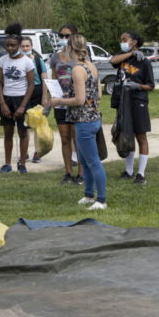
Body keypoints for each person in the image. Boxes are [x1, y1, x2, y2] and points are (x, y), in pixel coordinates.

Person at [49, 34, 107, 210]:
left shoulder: (77, 69)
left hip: (83, 120)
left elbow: (80, 101)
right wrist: (71, 96)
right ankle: (89, 196)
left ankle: (101, 200)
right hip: (93, 118)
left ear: (70, 48)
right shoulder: (91, 66)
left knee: (93, 162)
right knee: (84, 159)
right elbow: (96, 95)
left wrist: (59, 101)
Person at [109, 31, 155, 184]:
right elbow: (112, 60)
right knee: (127, 135)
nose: (122, 42)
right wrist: (131, 54)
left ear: (134, 41)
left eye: (125, 39)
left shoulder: (145, 62)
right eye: (121, 39)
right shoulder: (123, 56)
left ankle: (141, 174)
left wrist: (138, 86)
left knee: (141, 137)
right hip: (123, 101)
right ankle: (129, 172)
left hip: (138, 100)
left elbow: (151, 86)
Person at [0, 23, 36, 174]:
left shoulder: (27, 61)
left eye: (13, 45)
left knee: (23, 132)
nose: (10, 48)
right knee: (7, 133)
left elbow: (31, 85)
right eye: (8, 46)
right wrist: (3, 103)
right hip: (6, 99)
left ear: (19, 45)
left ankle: (23, 164)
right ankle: (7, 164)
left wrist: (22, 107)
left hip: (22, 100)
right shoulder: (2, 61)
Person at [50, 23, 84, 185]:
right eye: (61, 35)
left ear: (74, 35)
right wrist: (49, 99)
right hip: (60, 103)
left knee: (77, 139)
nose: (63, 39)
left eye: (66, 35)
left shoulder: (81, 57)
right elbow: (53, 80)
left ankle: (81, 174)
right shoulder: (55, 57)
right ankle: (68, 173)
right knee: (65, 139)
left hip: (75, 103)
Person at [21, 36, 48, 163]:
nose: (25, 48)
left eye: (27, 46)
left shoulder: (38, 61)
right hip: (22, 93)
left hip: (36, 91)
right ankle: (24, 151)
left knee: (36, 123)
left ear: (31, 47)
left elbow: (44, 80)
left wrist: (44, 97)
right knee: (24, 123)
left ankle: (36, 152)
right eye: (23, 46)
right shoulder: (18, 61)